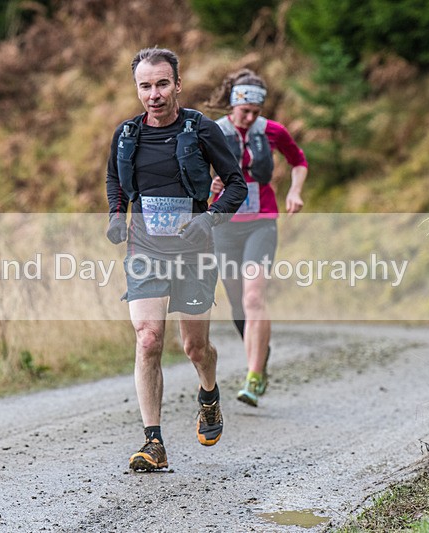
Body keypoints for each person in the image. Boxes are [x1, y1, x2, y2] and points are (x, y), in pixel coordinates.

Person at [105, 48, 247, 472]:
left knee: (194, 347)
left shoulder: (200, 129)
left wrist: (210, 219)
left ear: (178, 85)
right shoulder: (126, 134)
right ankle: (154, 443)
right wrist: (116, 215)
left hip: (193, 252)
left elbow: (236, 184)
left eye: (162, 84)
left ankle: (209, 395)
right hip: (145, 248)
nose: (154, 94)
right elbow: (115, 178)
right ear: (137, 89)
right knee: (148, 337)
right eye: (145, 86)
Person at [207, 68, 308, 408]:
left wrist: (294, 191)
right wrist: (210, 185)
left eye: (256, 112)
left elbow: (299, 161)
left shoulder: (272, 132)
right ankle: (260, 352)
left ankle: (253, 376)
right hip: (225, 223)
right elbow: (191, 170)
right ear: (233, 104)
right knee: (237, 302)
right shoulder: (213, 132)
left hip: (261, 222)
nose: (250, 117)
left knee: (253, 297)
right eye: (245, 110)